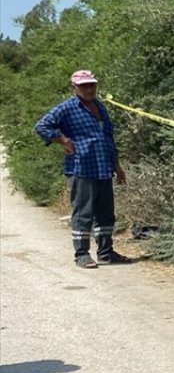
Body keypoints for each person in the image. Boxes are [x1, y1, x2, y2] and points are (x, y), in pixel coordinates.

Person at [34, 70, 131, 268]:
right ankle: (82, 254)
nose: (89, 89)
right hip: (81, 168)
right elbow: (41, 126)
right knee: (83, 212)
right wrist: (62, 140)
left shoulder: (100, 107)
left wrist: (117, 166)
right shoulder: (67, 108)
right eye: (84, 85)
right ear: (74, 88)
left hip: (103, 168)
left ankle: (106, 252)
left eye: (91, 85)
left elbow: (108, 138)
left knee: (105, 213)